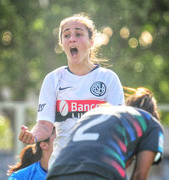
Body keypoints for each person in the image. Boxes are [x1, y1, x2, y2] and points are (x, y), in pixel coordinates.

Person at [18, 13, 125, 168]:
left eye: (79, 34)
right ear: (62, 43)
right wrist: (33, 136)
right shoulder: (53, 79)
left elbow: (118, 125)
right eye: (66, 35)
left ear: (92, 42)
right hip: (63, 165)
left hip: (99, 165)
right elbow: (45, 126)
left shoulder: (108, 78)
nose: (72, 39)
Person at [46, 87, 164, 180]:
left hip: (57, 172)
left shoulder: (95, 113)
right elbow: (139, 176)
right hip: (99, 172)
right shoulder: (151, 124)